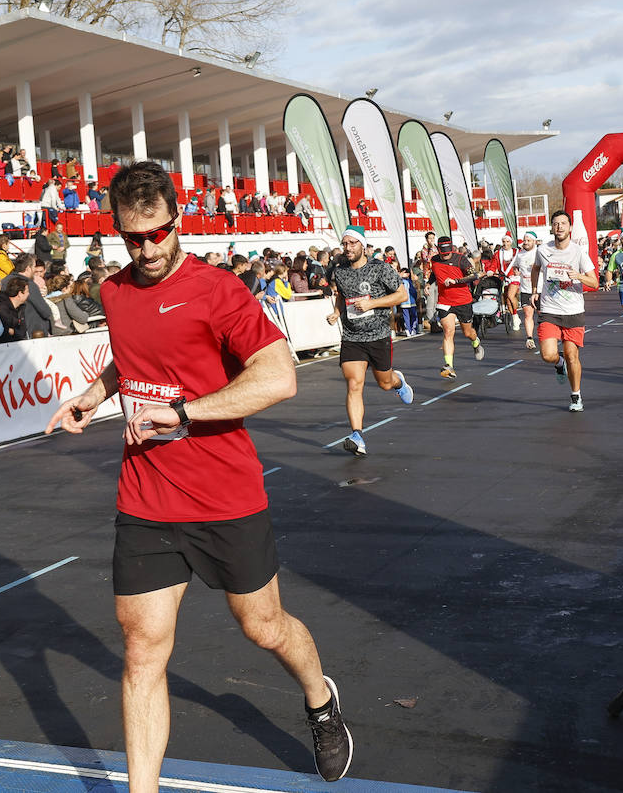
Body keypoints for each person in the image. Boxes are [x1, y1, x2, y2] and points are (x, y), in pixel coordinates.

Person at [45, 161, 352, 791]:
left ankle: (320, 700)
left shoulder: (218, 291)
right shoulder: (114, 292)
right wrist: (92, 395)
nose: (148, 249)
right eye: (134, 238)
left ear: (178, 220)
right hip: (147, 500)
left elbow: (279, 378)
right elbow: (134, 362)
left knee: (263, 627)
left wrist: (182, 411)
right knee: (141, 653)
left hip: (225, 495)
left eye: (158, 233)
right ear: (118, 231)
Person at [325, 226, 412, 456]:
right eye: (345, 244)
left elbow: (402, 295)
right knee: (354, 384)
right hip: (352, 336)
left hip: (378, 335)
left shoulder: (380, 268)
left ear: (363, 245)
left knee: (384, 383)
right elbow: (342, 295)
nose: (348, 248)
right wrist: (337, 312)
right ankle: (357, 436)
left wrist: (372, 303)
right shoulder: (340, 270)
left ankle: (398, 382)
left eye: (352, 243)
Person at [530, 210, 599, 411]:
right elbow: (535, 269)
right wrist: (534, 290)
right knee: (547, 355)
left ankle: (576, 396)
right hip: (549, 309)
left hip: (573, 311)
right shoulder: (543, 250)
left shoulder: (578, 252)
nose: (559, 227)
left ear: (569, 228)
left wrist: (577, 276)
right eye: (555, 223)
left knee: (572, 355)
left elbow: (594, 282)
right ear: (552, 227)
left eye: (563, 223)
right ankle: (558, 363)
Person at [430, 236, 483, 378]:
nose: (446, 255)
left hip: (463, 300)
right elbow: (434, 273)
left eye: (448, 252)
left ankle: (476, 342)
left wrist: (456, 281)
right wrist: (429, 284)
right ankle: (449, 366)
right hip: (445, 301)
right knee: (448, 331)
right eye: (443, 253)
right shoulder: (434, 260)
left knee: (467, 333)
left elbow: (474, 276)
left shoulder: (461, 259)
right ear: (438, 250)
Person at [504, 232, 542, 351]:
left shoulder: (539, 253)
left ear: (534, 241)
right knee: (527, 314)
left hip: (540, 289)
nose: (525, 242)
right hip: (526, 289)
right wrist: (516, 271)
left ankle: (544, 337)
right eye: (524, 240)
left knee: (542, 315)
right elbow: (515, 266)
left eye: (528, 240)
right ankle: (529, 338)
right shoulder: (520, 255)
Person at [497, 233, 521, 331]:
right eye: (504, 241)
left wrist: (521, 271)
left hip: (515, 278)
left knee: (511, 296)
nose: (505, 244)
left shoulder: (517, 252)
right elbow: (494, 263)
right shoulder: (498, 253)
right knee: (508, 301)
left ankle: (515, 318)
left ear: (511, 242)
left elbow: (523, 261)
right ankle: (515, 316)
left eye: (507, 242)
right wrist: (490, 270)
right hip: (504, 278)